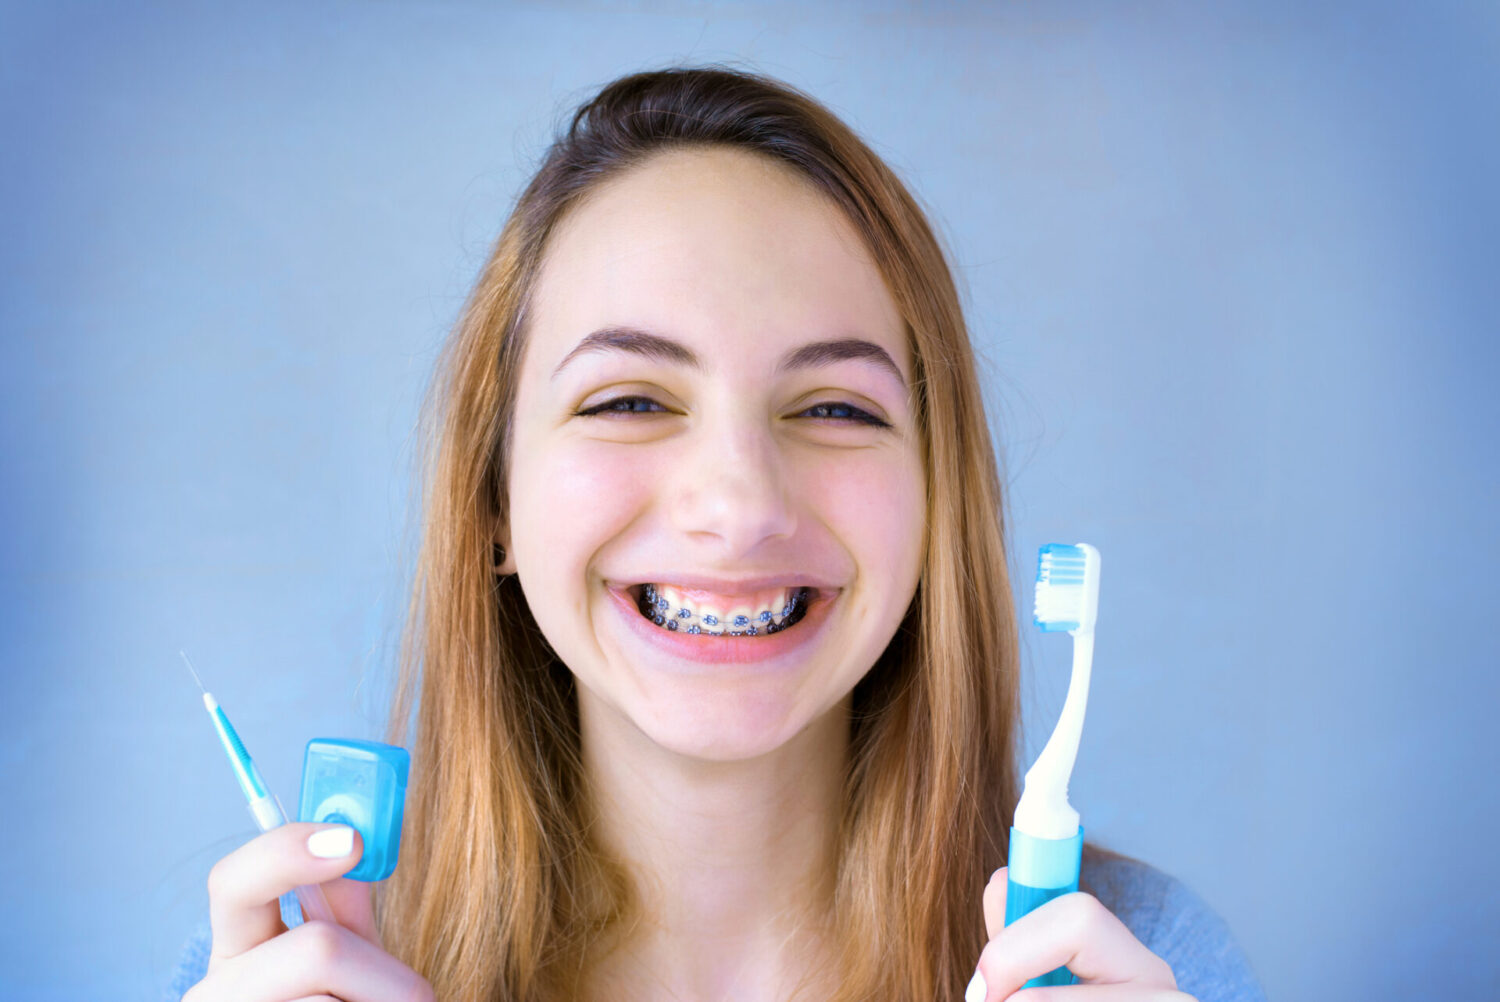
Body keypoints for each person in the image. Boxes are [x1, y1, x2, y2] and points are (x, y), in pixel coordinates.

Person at [169, 66, 1266, 1002]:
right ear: (495, 499)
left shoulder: (1132, 963)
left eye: (836, 408)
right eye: (630, 400)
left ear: (937, 504)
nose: (739, 506)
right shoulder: (295, 967)